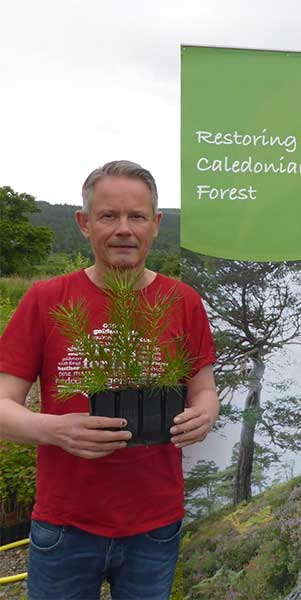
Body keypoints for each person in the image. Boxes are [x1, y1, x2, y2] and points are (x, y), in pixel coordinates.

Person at [0, 160, 219, 600]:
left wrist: (205, 413)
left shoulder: (183, 301)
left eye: (136, 216)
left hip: (155, 526)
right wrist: (56, 429)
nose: (124, 229)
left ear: (156, 224)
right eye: (108, 216)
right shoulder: (45, 299)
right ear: (84, 223)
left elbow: (204, 388)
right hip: (65, 524)